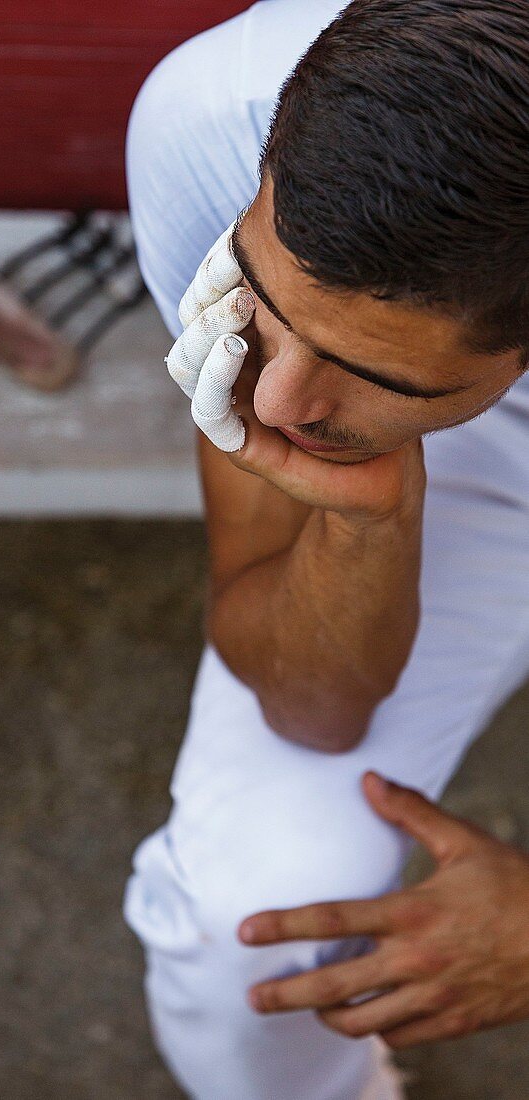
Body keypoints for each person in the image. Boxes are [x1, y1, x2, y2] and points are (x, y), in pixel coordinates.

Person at [121, 2, 529, 1098]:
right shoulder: (215, 116)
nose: (282, 402)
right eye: (268, 303)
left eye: (373, 376)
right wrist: (365, 517)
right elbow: (311, 703)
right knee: (242, 919)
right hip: (479, 405)